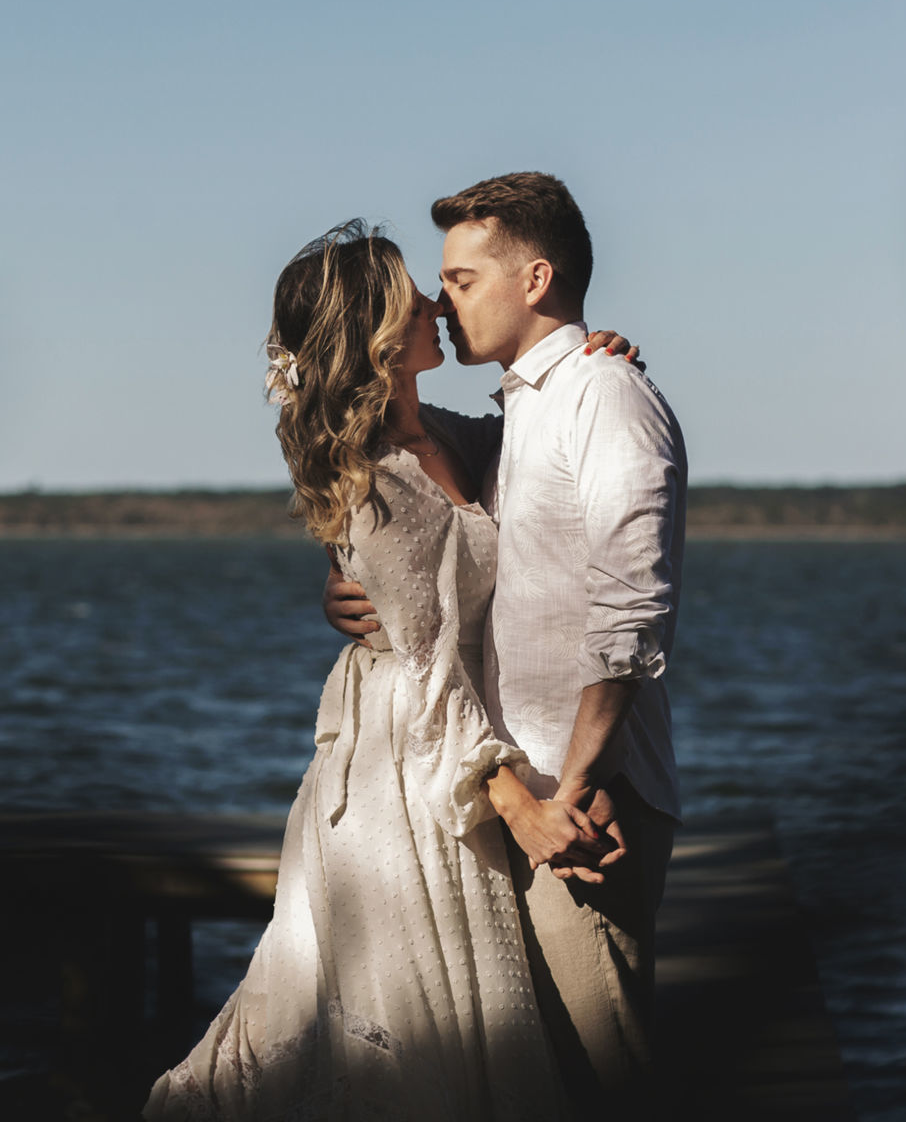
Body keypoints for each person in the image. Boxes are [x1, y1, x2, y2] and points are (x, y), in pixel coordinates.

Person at [145, 221, 634, 1121]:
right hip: (406, 771)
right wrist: (520, 806)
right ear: (375, 333)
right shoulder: (371, 479)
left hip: (448, 746)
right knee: (409, 1022)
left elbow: (541, 440)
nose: (436, 305)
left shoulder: (447, 435)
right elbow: (425, 672)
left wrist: (584, 361)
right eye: (413, 298)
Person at [323, 173, 688, 1120]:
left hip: (583, 803)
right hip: (521, 797)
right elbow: (386, 479)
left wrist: (570, 789)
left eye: (461, 279)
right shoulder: (516, 412)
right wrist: (347, 580)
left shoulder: (601, 395)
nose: (444, 302)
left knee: (608, 1077)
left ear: (535, 279)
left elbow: (630, 616)